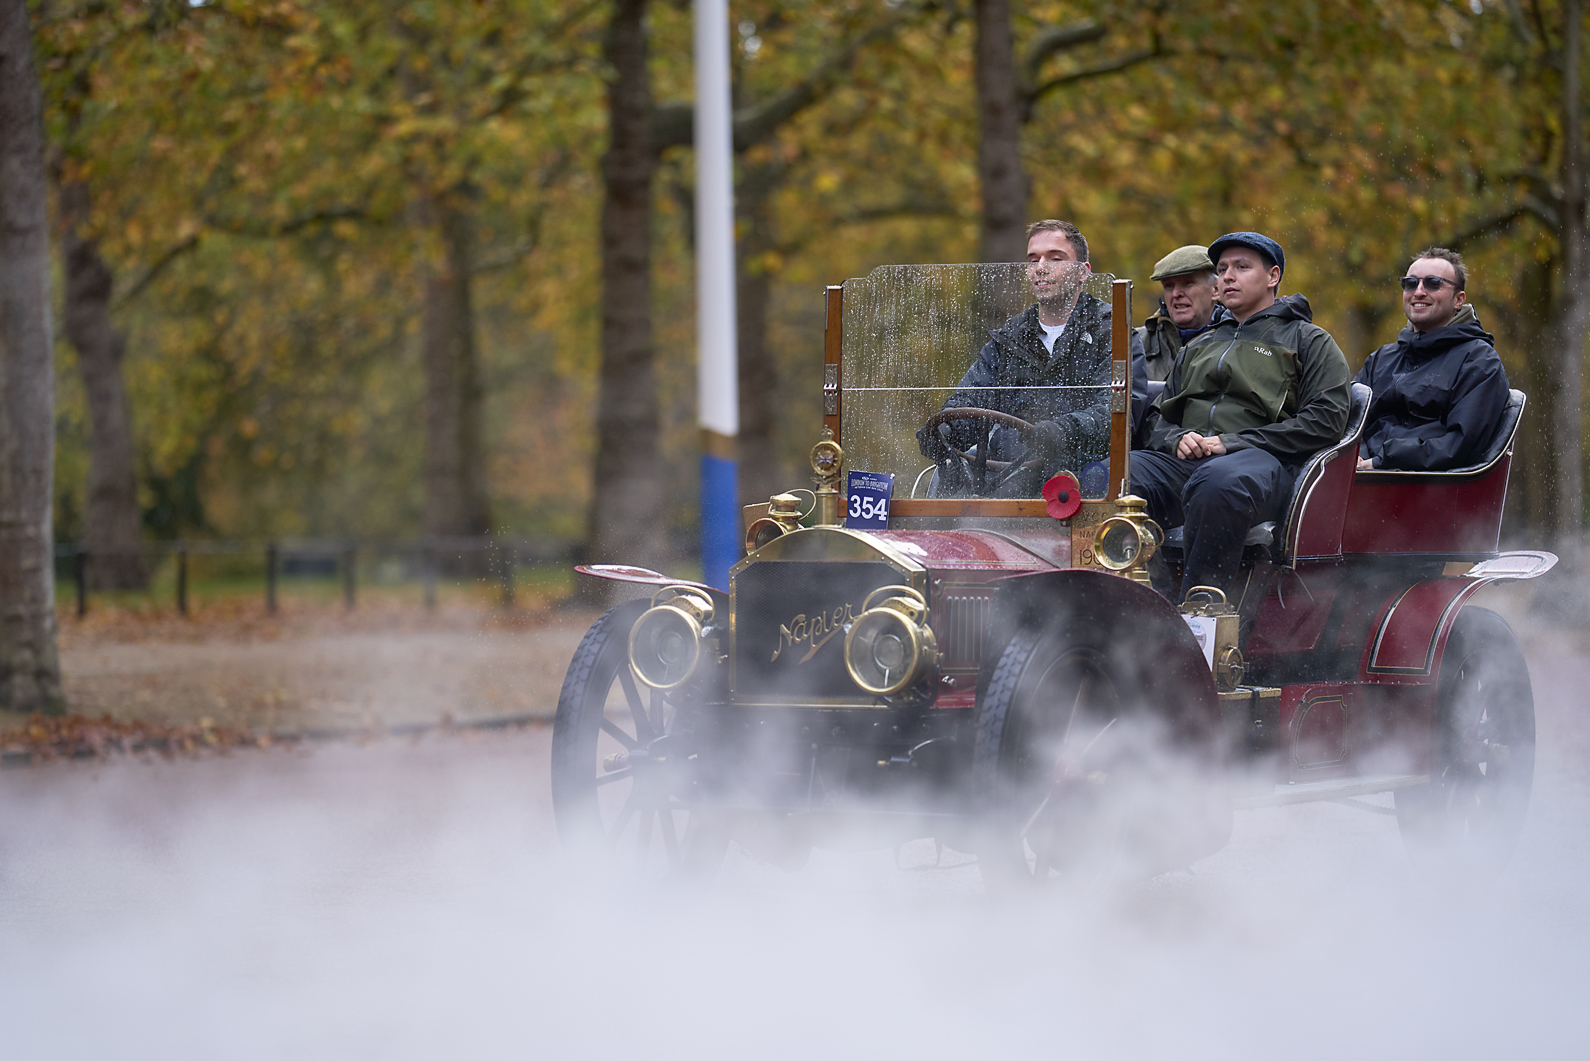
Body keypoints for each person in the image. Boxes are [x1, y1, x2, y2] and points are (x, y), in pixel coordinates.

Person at [1133, 232, 1351, 603]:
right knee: (1112, 477)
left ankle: (1202, 611)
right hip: (1188, 464)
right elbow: (1155, 417)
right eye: (1222, 269)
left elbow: (1326, 421)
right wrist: (1176, 438)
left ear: (1273, 276)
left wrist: (1234, 442)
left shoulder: (1308, 340)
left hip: (1261, 465)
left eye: (1242, 267)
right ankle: (1151, 604)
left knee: (1218, 484)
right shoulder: (1199, 345)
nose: (1228, 276)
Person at [916, 219, 1147, 497]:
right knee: (946, 486)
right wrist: (946, 430)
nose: (1041, 267)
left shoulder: (1112, 332)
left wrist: (1061, 431)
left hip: (1083, 477)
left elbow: (1117, 414)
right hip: (1008, 475)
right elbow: (971, 398)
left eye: (1055, 258)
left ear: (1083, 272)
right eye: (1032, 260)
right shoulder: (1009, 338)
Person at [1355, 247, 1511, 471]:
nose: (1419, 292)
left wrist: (1381, 463)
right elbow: (1350, 422)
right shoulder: (1380, 360)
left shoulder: (1479, 362)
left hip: (1427, 486)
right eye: (1411, 283)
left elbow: (1461, 446)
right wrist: (1356, 458)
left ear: (1459, 299)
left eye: (1433, 283)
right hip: (1359, 479)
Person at [1136, 244, 1233, 383]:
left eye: (1188, 283)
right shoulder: (1136, 343)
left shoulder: (1239, 338)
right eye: (1169, 286)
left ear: (1216, 290)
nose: (1176, 293)